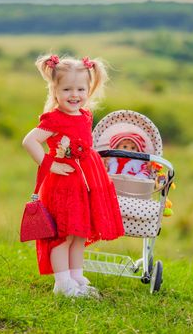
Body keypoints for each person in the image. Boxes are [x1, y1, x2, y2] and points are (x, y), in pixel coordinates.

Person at [22, 55, 124, 298]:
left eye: (81, 88)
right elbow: (30, 141)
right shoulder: (54, 119)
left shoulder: (85, 114)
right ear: (54, 90)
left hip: (84, 183)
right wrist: (50, 164)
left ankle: (76, 276)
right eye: (67, 89)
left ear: (89, 89)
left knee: (79, 232)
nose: (74, 94)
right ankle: (63, 283)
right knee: (63, 234)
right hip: (63, 184)